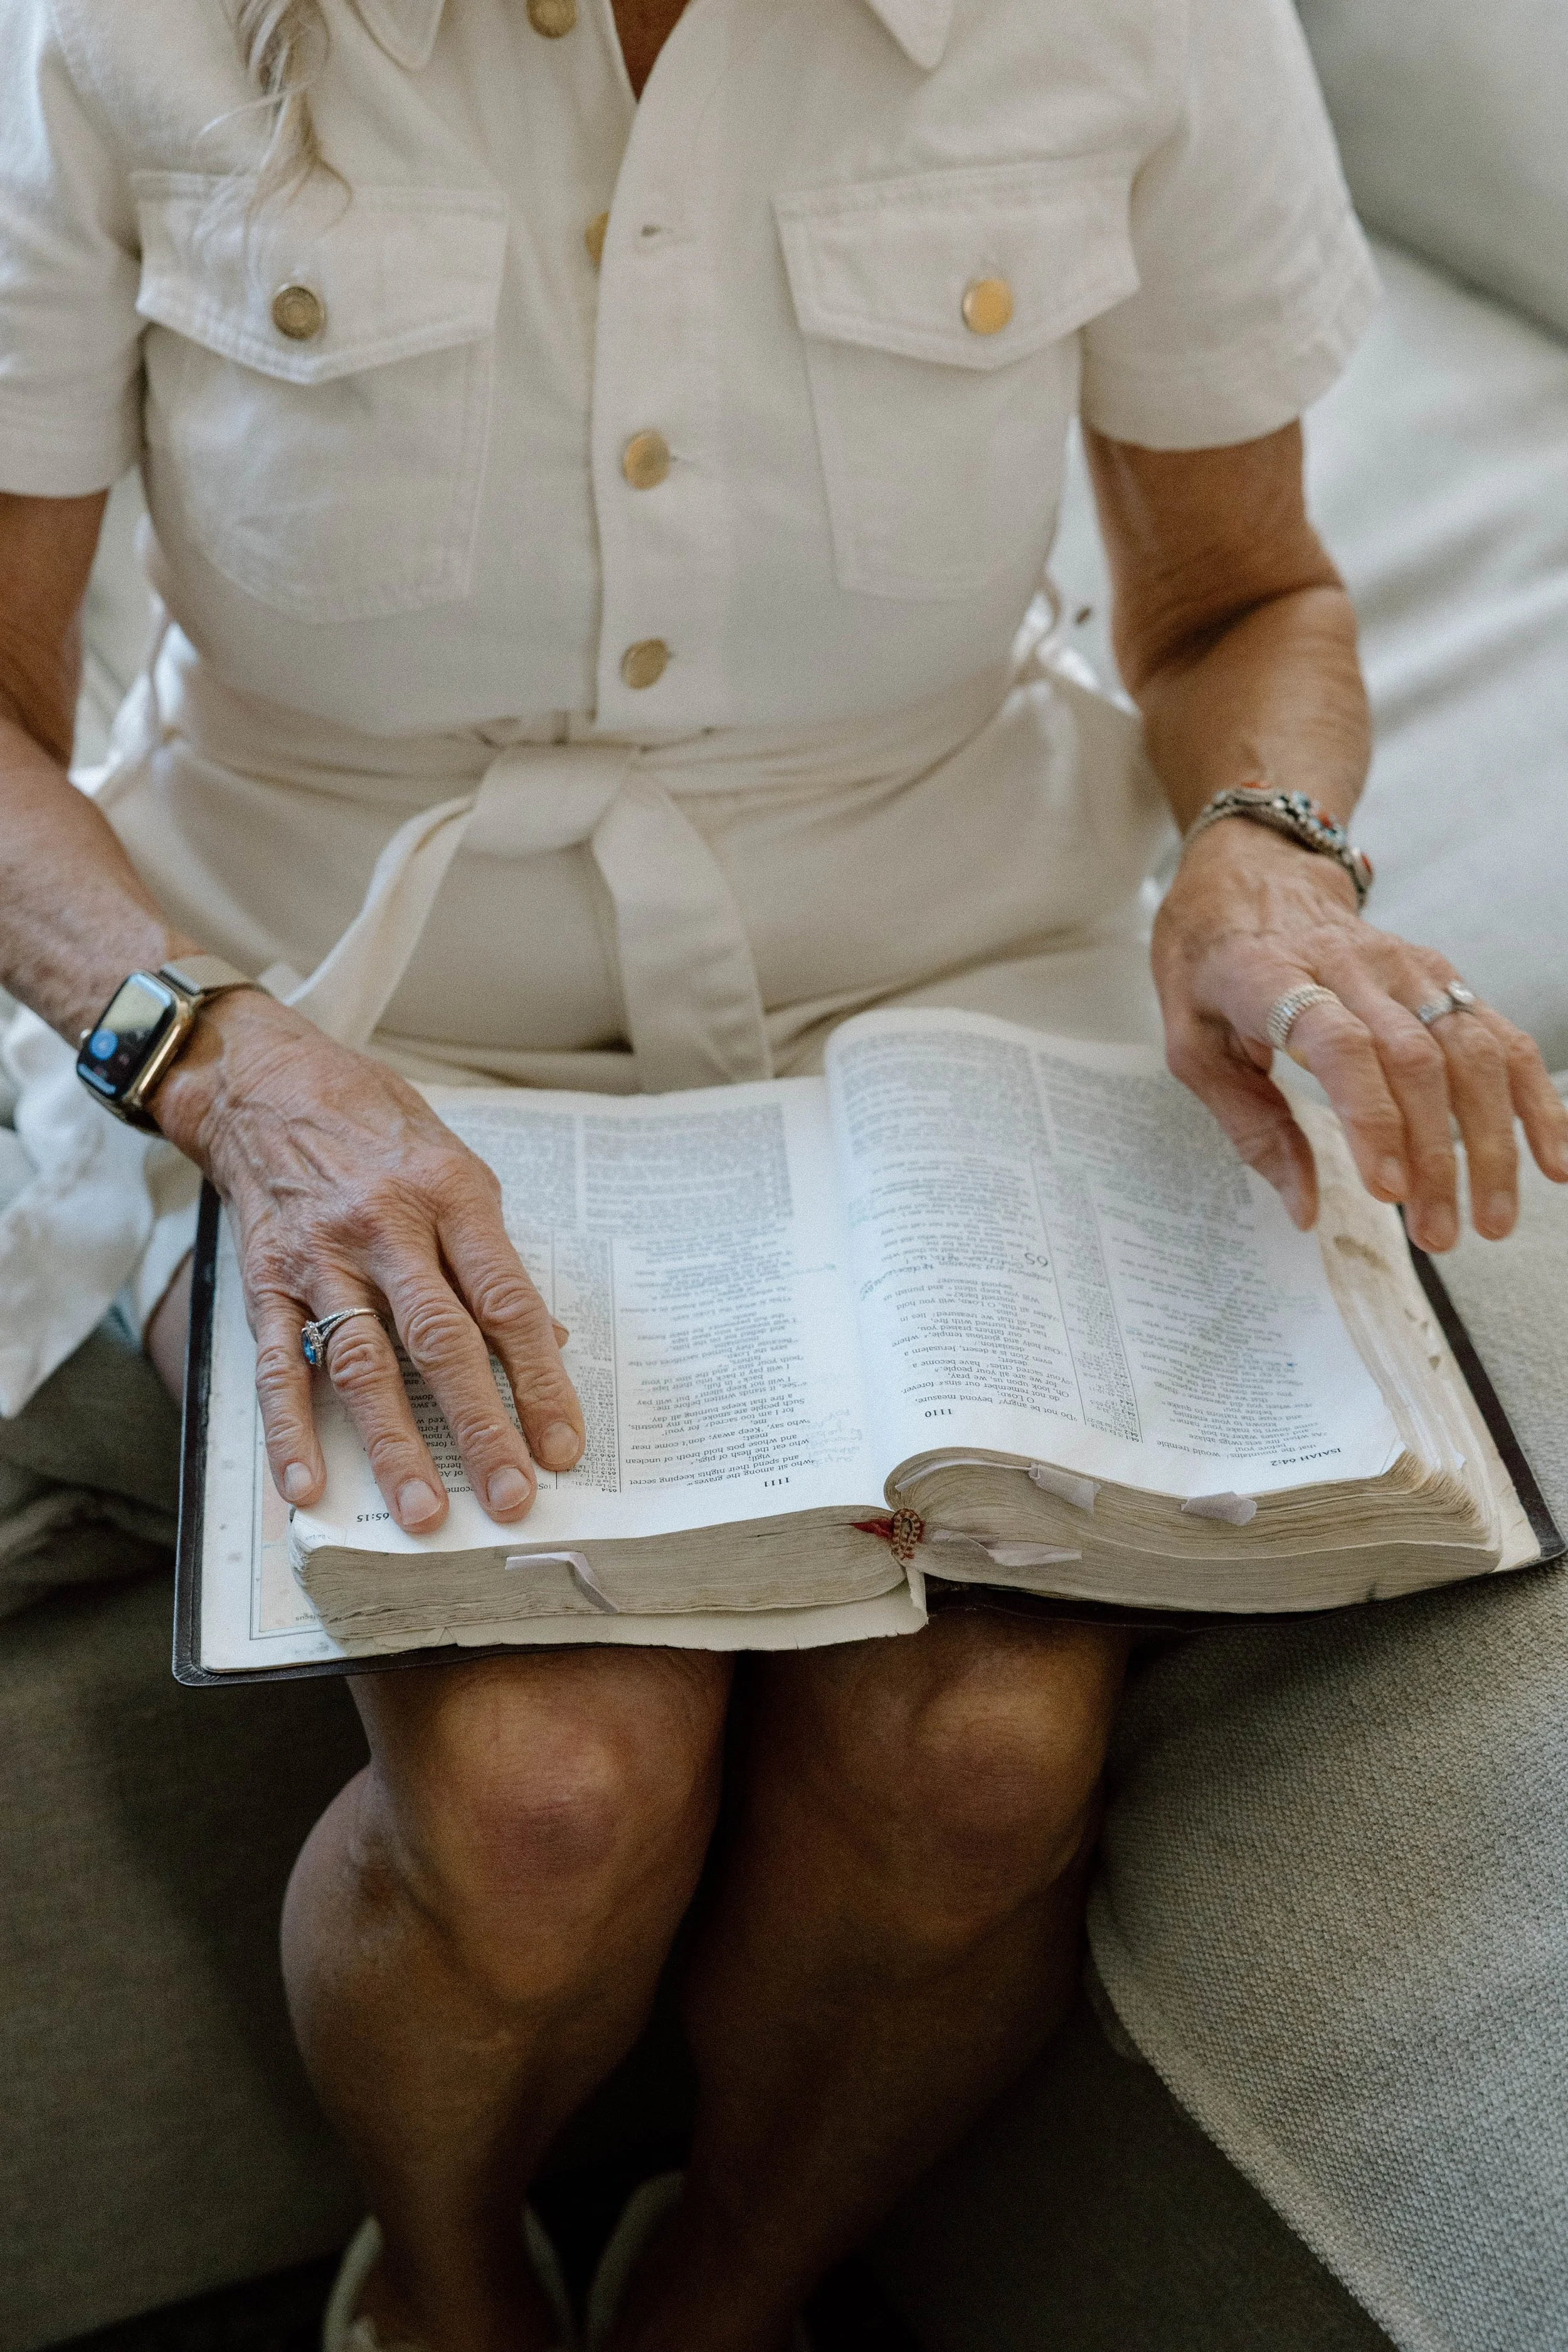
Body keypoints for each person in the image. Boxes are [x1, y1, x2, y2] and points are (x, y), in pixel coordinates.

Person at [1, 1, 1564, 2348]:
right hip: (330, 1010)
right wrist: (223, 1067)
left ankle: (721, 2294)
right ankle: (437, 2295)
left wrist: (1262, 864)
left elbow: (1244, 600)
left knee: (977, 1754)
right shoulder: (110, 32)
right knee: (541, 1790)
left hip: (948, 980)